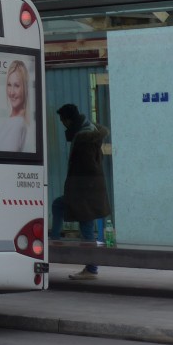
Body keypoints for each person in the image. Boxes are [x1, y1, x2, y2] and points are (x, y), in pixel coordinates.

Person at [50, 103, 111, 280]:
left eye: (62, 120)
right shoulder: (86, 131)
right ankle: (57, 242)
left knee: (86, 229)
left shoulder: (83, 138)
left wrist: (77, 190)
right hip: (86, 190)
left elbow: (87, 168)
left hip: (85, 192)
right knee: (60, 207)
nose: (62, 124)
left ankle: (90, 268)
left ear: (68, 120)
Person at [0, 60, 31, 152]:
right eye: (9, 85)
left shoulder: (19, 124)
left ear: (25, 88)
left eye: (17, 86)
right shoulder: (11, 120)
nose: (11, 92)